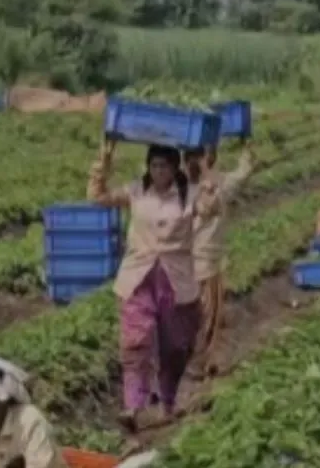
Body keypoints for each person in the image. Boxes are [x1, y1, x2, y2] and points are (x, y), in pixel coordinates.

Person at [87, 139, 218, 432]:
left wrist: (206, 173)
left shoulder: (189, 195)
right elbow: (98, 197)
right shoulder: (135, 191)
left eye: (165, 166)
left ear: (175, 169)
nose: (159, 171)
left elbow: (213, 207)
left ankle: (168, 401)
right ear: (148, 167)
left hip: (176, 281)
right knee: (136, 341)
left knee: (175, 347)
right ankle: (133, 406)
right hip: (139, 277)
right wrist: (102, 165)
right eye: (154, 166)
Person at [183, 142, 255, 380]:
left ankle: (198, 360)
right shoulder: (216, 187)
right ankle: (197, 363)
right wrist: (247, 150)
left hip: (185, 263)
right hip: (204, 263)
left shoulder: (180, 188)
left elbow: (243, 173)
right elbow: (244, 172)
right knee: (207, 315)